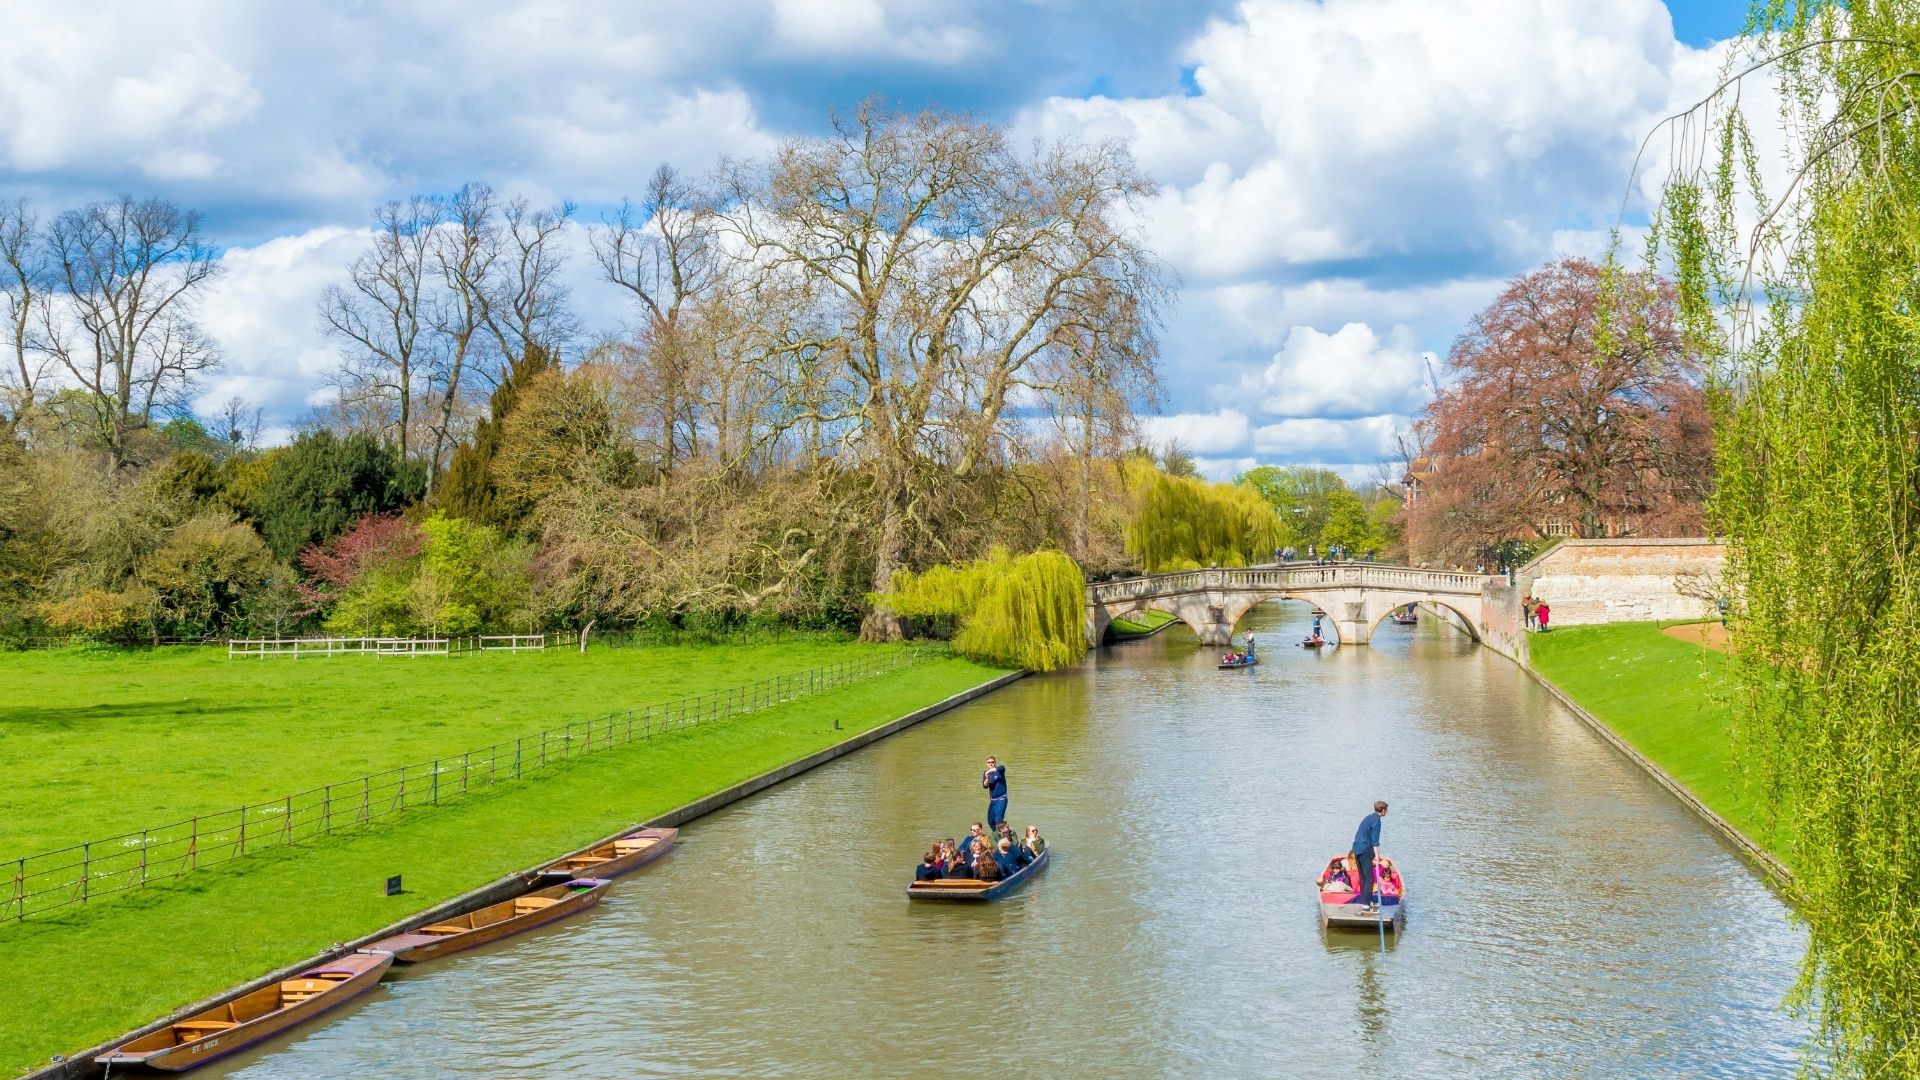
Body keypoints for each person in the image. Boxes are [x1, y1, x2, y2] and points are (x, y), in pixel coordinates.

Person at [1352, 801, 1388, 911]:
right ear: (1383, 811)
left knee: (1363, 876)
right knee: (1370, 878)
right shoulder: (1377, 820)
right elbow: (1375, 840)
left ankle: (1366, 900)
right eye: (1386, 810)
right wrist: (1376, 856)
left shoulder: (1369, 817)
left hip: (1356, 848)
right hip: (1365, 849)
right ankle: (1366, 905)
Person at [982, 756, 1009, 830]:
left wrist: (990, 771)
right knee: (990, 820)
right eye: (989, 762)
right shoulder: (985, 773)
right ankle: (997, 834)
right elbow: (985, 786)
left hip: (1001, 798)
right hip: (993, 800)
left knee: (998, 820)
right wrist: (987, 778)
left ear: (995, 762)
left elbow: (1002, 767)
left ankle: (1001, 835)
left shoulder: (999, 770)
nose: (990, 764)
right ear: (986, 764)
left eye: (992, 762)